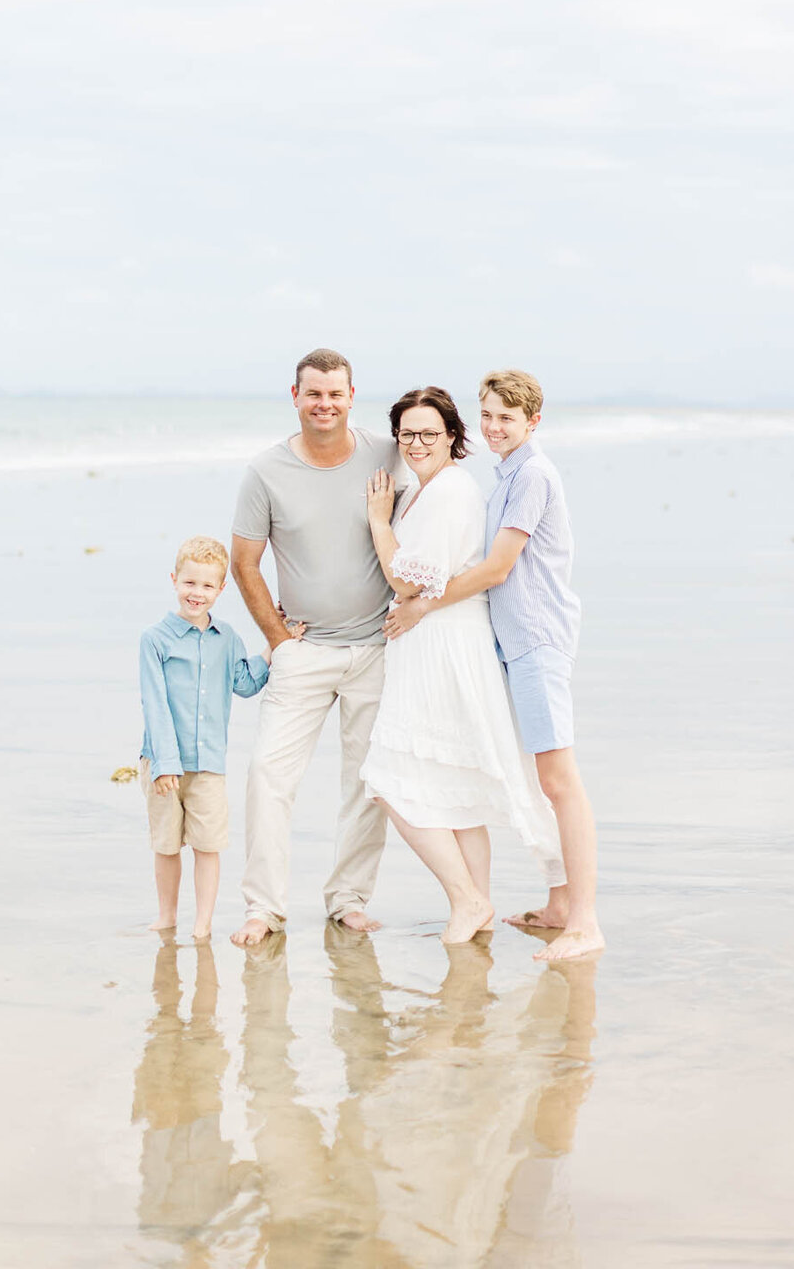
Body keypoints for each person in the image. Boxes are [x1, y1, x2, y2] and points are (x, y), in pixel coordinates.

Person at [384, 370, 605, 962]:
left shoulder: (531, 475)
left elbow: (498, 568)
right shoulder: (504, 476)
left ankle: (584, 922)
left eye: (507, 417)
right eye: (488, 415)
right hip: (512, 644)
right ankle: (560, 904)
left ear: (534, 422)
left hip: (537, 640)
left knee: (560, 780)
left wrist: (421, 606)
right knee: (541, 779)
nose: (495, 426)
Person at [229, 348, 399, 948]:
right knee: (266, 774)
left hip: (376, 646)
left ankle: (348, 900)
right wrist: (277, 639)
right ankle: (263, 908)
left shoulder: (388, 452)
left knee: (366, 780)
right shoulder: (266, 471)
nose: (325, 404)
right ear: (295, 396)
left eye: (335, 393)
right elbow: (243, 561)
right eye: (314, 394)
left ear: (352, 395)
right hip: (302, 652)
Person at [139, 535, 282, 941]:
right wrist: (164, 764)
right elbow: (155, 704)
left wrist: (276, 644)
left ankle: (203, 922)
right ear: (174, 580)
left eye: (206, 586)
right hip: (163, 763)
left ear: (221, 590)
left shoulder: (227, 639)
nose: (196, 593)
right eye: (189, 583)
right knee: (167, 846)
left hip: (208, 766)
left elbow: (246, 681)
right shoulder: (155, 640)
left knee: (208, 845)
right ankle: (167, 914)